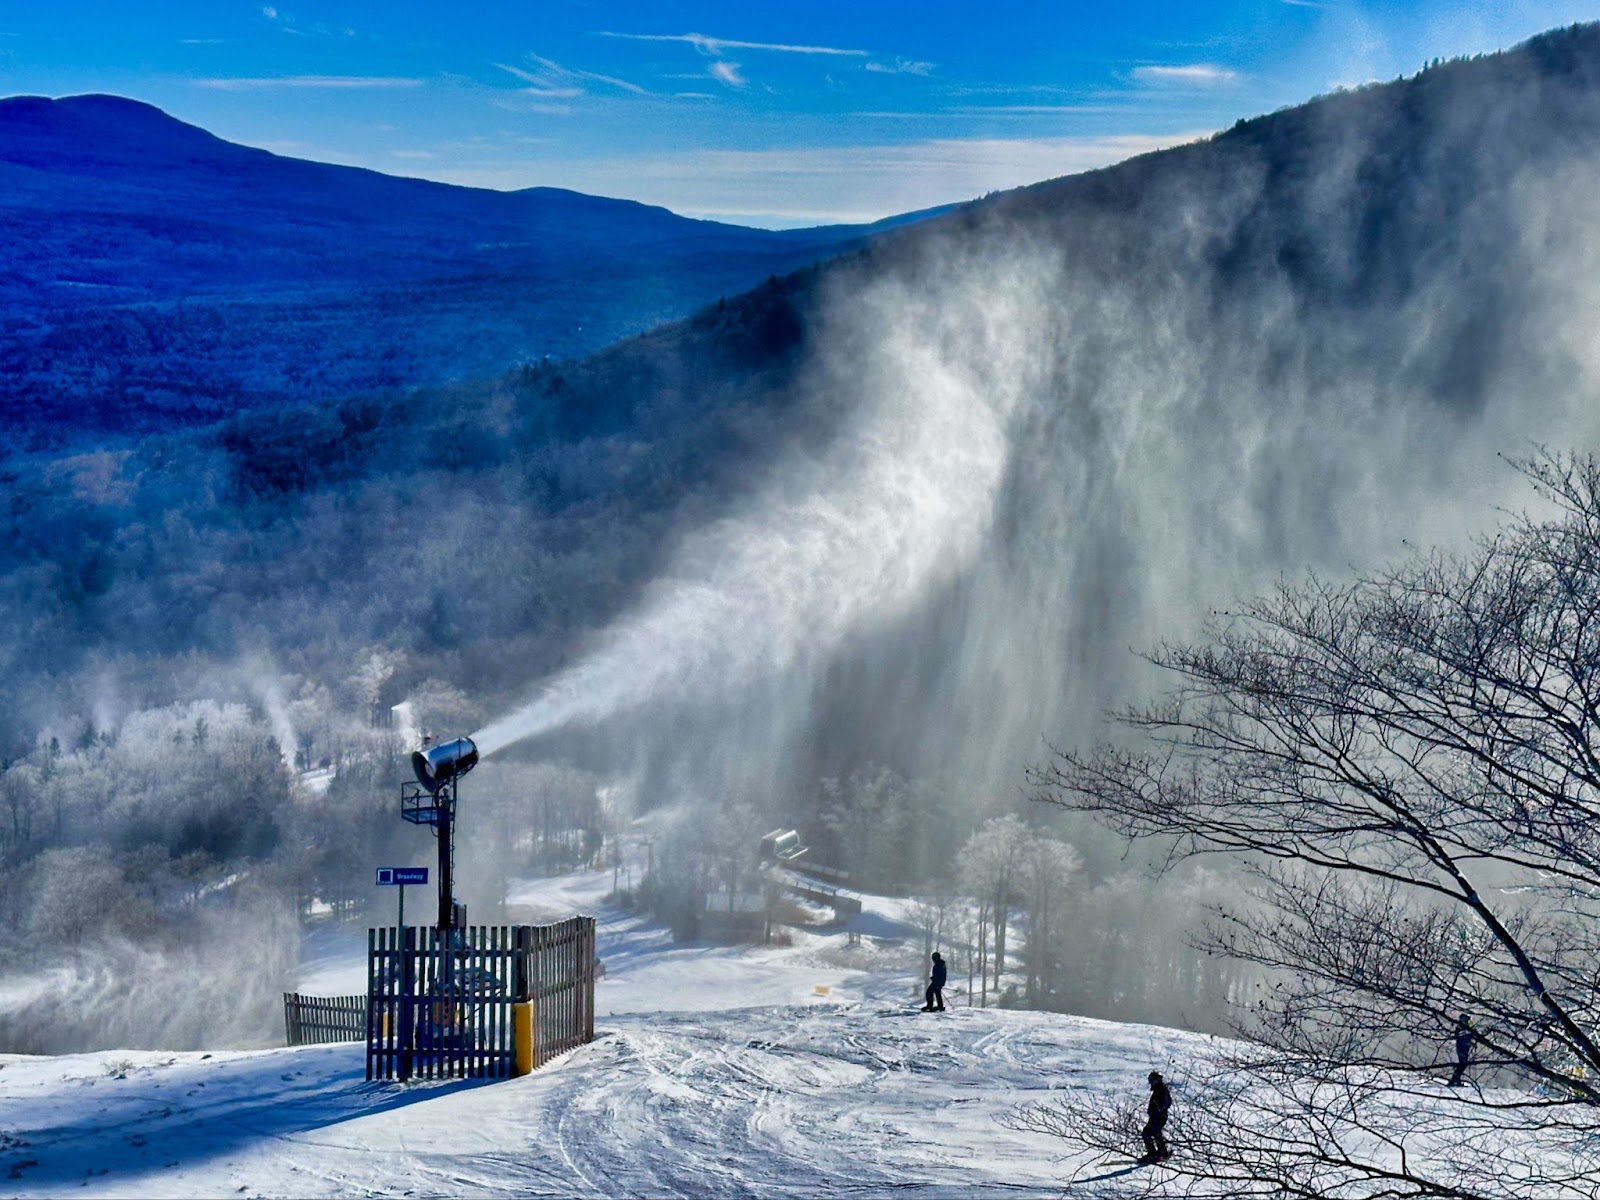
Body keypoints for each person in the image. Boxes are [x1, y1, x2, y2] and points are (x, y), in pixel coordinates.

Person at [1140, 1070, 1171, 1163]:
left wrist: (1158, 1110)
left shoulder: (1161, 1090)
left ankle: (1154, 1154)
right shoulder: (1160, 1089)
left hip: (1158, 1117)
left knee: (1148, 1133)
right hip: (1156, 1116)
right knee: (1154, 1133)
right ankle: (1161, 1152)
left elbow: (1166, 1103)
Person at [1448, 1014, 1472, 1086]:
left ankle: (1456, 1079)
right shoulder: (1460, 1028)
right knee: (1462, 1064)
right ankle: (1454, 1079)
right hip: (1461, 1048)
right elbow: (1462, 1038)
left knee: (1463, 1064)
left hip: (1465, 1048)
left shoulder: (1466, 1027)